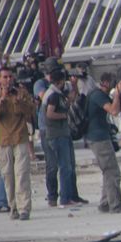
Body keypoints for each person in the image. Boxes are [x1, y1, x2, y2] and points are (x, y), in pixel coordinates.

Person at [0, 66, 37, 220]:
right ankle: (13, 206)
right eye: (5, 77)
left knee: (22, 174)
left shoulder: (20, 92)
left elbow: (30, 111)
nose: (8, 80)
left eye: (10, 77)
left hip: (20, 138)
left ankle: (24, 208)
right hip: (2, 140)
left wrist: (19, 102)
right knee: (7, 176)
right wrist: (2, 99)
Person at [85, 73, 121, 213]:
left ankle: (105, 203)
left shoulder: (98, 94)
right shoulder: (97, 95)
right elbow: (114, 111)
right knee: (113, 172)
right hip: (98, 138)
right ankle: (116, 205)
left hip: (99, 136)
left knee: (107, 172)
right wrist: (116, 94)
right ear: (107, 83)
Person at [42, 67, 81, 208]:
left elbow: (70, 100)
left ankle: (68, 196)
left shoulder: (57, 93)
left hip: (61, 134)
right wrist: (65, 116)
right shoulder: (52, 95)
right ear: (60, 81)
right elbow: (50, 114)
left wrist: (75, 85)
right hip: (57, 135)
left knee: (67, 166)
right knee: (65, 167)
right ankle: (65, 198)